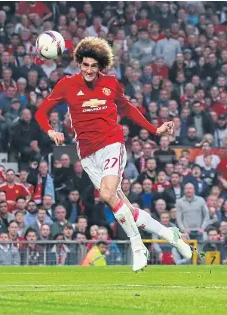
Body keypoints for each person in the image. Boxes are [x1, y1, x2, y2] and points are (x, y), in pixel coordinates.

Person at [35, 37, 192, 272]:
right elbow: (41, 113)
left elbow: (128, 108)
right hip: (87, 155)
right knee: (124, 207)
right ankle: (170, 234)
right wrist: (50, 131)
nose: (89, 70)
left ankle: (138, 247)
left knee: (108, 193)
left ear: (101, 67)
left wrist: (154, 129)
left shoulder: (111, 83)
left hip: (112, 143)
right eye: (85, 65)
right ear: (79, 63)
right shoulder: (66, 85)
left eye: (94, 66)